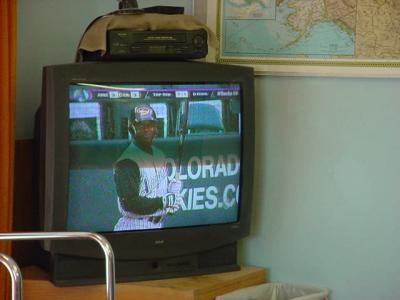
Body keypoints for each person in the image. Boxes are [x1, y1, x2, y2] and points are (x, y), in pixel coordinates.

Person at [113, 104, 183, 231]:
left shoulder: (159, 155)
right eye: (141, 125)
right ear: (131, 129)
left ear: (156, 128)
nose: (147, 130)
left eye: (150, 125)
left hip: (157, 226)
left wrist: (171, 197)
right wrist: (162, 202)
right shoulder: (127, 161)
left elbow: (156, 195)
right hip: (134, 227)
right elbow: (130, 203)